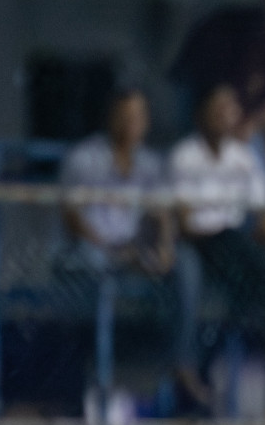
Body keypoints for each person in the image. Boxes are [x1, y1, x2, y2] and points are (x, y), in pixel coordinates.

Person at [169, 84, 265, 413]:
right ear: (200, 116)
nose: (225, 117)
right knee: (264, 284)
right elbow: (185, 223)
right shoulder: (185, 155)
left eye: (230, 109)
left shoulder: (243, 157)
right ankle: (201, 394)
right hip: (204, 246)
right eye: (217, 109)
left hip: (240, 246)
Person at [57, 88, 204, 405]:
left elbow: (162, 214)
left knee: (186, 262)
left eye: (137, 116)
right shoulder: (84, 158)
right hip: (91, 253)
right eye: (124, 115)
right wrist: (113, 251)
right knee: (92, 263)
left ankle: (182, 361)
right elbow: (73, 220)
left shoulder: (152, 164)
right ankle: (105, 373)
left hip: (133, 254)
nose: (130, 123)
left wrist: (164, 247)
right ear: (111, 118)